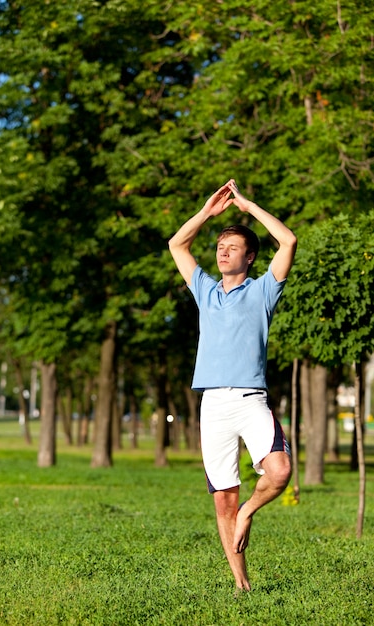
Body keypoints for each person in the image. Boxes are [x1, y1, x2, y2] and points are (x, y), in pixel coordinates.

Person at [168, 179, 297, 593]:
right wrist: (207, 213)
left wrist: (245, 206)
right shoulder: (205, 291)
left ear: (250, 256)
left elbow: (288, 240)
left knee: (279, 471)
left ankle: (249, 512)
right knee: (223, 498)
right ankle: (242, 586)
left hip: (250, 399)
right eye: (220, 247)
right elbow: (177, 245)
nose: (223, 252)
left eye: (233, 247)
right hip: (213, 404)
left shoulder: (263, 291)